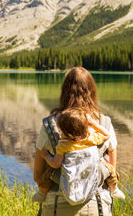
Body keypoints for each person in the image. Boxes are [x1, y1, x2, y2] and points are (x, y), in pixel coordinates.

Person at [34, 67, 122, 216]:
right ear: (92, 91)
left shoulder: (49, 125)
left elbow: (38, 176)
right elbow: (111, 171)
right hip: (98, 207)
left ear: (64, 91)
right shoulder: (105, 123)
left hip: (57, 207)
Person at [32, 108, 124, 203]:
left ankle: (41, 194)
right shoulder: (91, 138)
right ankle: (114, 189)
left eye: (61, 131)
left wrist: (46, 155)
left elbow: (56, 163)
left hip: (68, 188)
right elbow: (107, 135)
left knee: (48, 174)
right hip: (90, 185)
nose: (60, 133)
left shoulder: (63, 145)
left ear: (70, 135)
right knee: (111, 170)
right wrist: (93, 124)